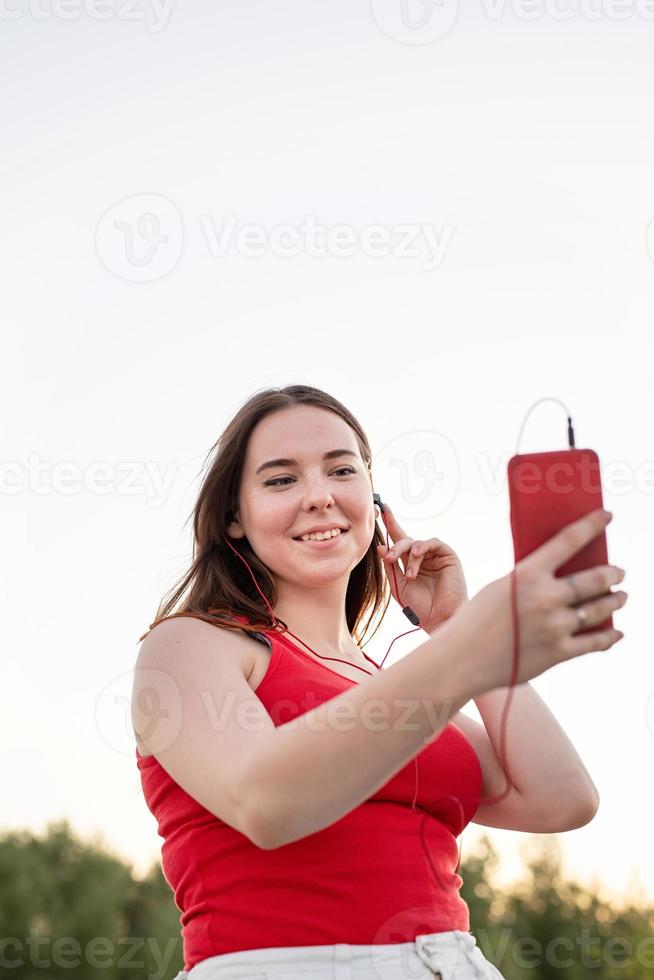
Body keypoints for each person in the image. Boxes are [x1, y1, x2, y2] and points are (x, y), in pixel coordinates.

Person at [131, 384, 627, 980]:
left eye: (341, 470)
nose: (318, 497)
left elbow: (561, 797)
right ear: (234, 517)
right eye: (281, 479)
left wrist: (454, 626)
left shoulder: (392, 683)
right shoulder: (189, 645)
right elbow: (266, 804)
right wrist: (471, 650)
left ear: (374, 499)